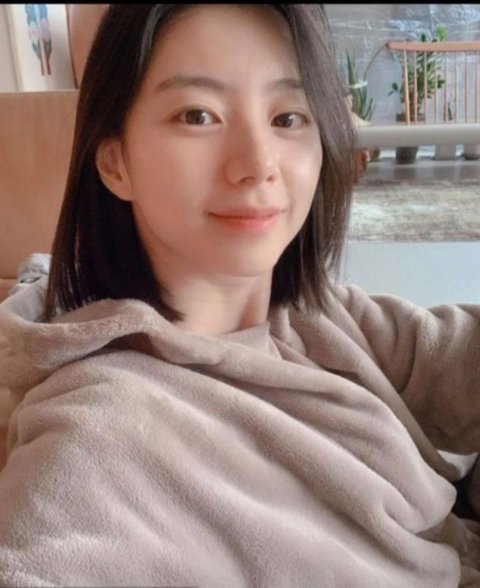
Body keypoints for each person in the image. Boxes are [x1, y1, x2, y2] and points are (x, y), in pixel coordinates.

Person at [0, 4, 479, 586]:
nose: (257, 164)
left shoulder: (316, 315)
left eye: (287, 117)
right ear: (115, 162)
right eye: (198, 115)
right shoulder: (101, 431)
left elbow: (451, 353)